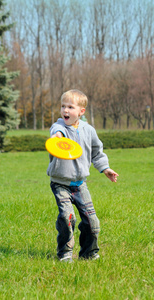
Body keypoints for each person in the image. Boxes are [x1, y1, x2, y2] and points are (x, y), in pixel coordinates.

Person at [47, 89, 119, 262]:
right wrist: (58, 136)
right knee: (67, 217)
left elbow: (97, 152)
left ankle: (88, 253)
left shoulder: (89, 130)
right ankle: (64, 253)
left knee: (92, 222)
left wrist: (105, 168)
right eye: (63, 106)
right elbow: (56, 132)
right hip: (60, 183)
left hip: (80, 185)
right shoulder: (59, 127)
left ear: (81, 111)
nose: (65, 110)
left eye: (70, 107)